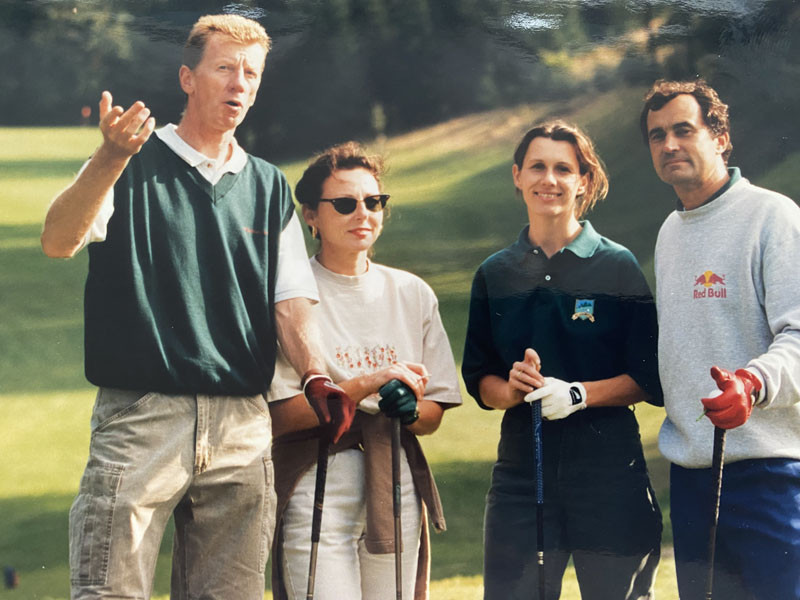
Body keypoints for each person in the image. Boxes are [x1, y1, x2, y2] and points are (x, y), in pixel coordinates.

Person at [40, 14, 354, 599]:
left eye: (251, 74)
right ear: (188, 77)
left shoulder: (266, 185)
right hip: (143, 415)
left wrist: (315, 374)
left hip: (242, 425)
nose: (240, 84)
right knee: (110, 591)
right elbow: (57, 241)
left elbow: (289, 302)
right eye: (225, 68)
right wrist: (108, 158)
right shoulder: (126, 162)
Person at [462, 120, 663, 600]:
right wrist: (511, 389)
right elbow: (481, 379)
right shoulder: (495, 273)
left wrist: (578, 395)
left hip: (610, 474)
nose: (548, 180)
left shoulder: (617, 265)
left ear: (583, 182)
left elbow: (649, 377)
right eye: (537, 167)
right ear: (517, 175)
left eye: (563, 169)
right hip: (520, 476)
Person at [266, 141, 462, 600]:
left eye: (373, 202)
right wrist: (365, 385)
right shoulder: (289, 297)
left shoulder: (412, 292)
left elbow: (433, 414)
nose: (363, 214)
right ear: (311, 215)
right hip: (316, 484)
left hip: (393, 483)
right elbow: (280, 416)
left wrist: (409, 409)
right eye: (345, 203)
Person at [641, 79, 800, 599]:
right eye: (657, 135)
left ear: (721, 136)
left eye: (683, 130)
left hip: (770, 476)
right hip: (692, 480)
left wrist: (751, 383)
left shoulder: (772, 216)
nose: (669, 145)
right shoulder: (670, 232)